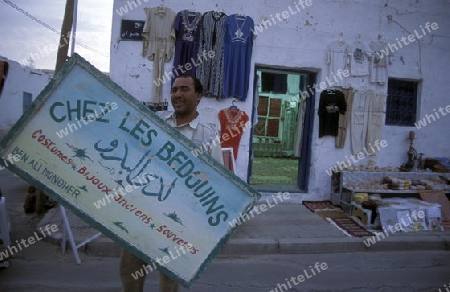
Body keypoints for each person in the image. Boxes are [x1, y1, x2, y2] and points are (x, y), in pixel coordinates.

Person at [119, 73, 224, 292]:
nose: (177, 94)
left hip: (178, 226)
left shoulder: (209, 138)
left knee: (169, 286)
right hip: (140, 217)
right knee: (130, 277)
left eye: (184, 89)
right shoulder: (153, 122)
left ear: (198, 96)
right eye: (174, 89)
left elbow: (218, 184)